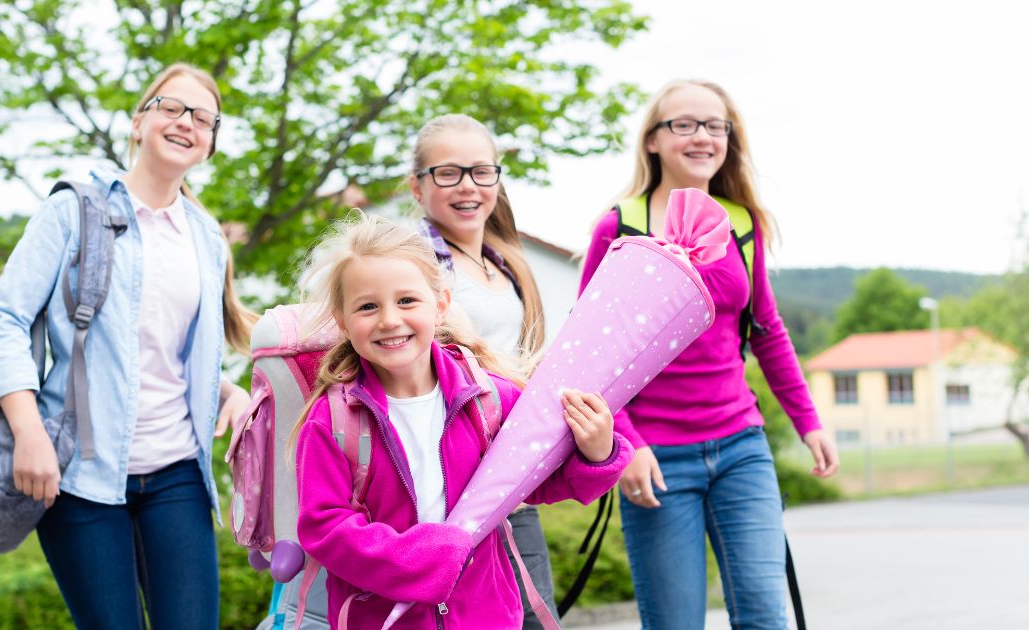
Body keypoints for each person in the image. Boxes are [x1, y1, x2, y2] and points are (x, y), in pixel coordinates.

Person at [0, 63, 255, 629]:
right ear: (137, 123)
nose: (186, 123)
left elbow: (165, 348)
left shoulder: (206, 238)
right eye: (171, 108)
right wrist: (29, 433)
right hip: (79, 475)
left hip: (177, 472)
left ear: (209, 144)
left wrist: (224, 387)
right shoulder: (73, 209)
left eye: (204, 118)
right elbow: (1, 320)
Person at [579, 79, 840, 629]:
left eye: (715, 126)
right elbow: (589, 351)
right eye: (685, 124)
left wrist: (808, 421)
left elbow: (766, 329)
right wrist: (628, 444)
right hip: (658, 458)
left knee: (765, 618)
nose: (703, 137)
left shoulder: (742, 222)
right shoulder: (620, 226)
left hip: (741, 446)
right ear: (653, 140)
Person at [292, 213, 630, 628]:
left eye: (407, 300)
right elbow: (325, 527)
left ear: (441, 305)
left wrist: (597, 453)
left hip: (485, 615)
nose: (389, 319)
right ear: (343, 322)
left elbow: (538, 480)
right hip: (384, 620)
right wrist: (423, 559)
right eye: (367, 307)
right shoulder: (333, 419)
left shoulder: (489, 398)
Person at [408, 113, 560, 627]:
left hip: (513, 483)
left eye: (481, 172)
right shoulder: (417, 265)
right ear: (417, 185)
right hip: (452, 489)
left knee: (535, 618)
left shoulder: (507, 263)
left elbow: (528, 357)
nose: (467, 186)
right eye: (447, 173)